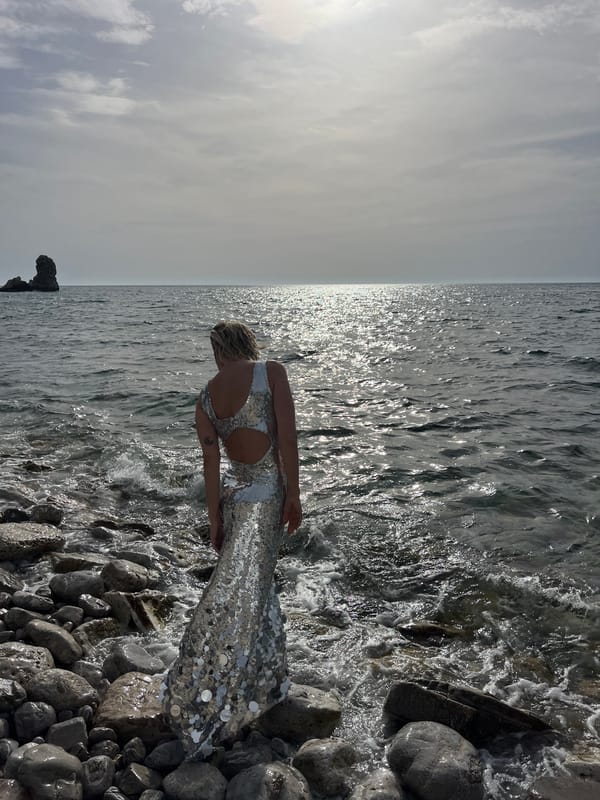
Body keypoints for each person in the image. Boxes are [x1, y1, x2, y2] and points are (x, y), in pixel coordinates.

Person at [161, 320, 302, 759]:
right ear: (247, 343)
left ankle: (248, 676)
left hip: (235, 498)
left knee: (243, 586)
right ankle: (240, 689)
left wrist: (214, 519)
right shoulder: (271, 372)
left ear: (218, 350)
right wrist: (294, 494)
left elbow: (211, 466)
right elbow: (287, 438)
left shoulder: (205, 397)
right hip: (267, 496)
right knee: (251, 590)